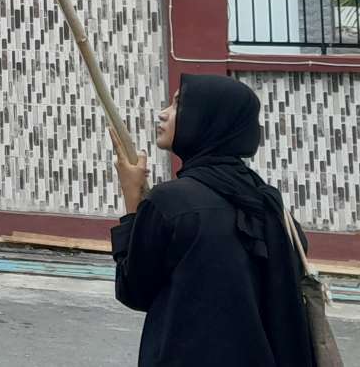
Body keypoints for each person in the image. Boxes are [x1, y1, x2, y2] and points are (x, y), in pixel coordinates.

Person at [110, 74, 315, 367]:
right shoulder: (271, 207)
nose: (163, 113)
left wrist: (132, 202)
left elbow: (134, 290)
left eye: (179, 105)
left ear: (208, 119)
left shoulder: (170, 203)